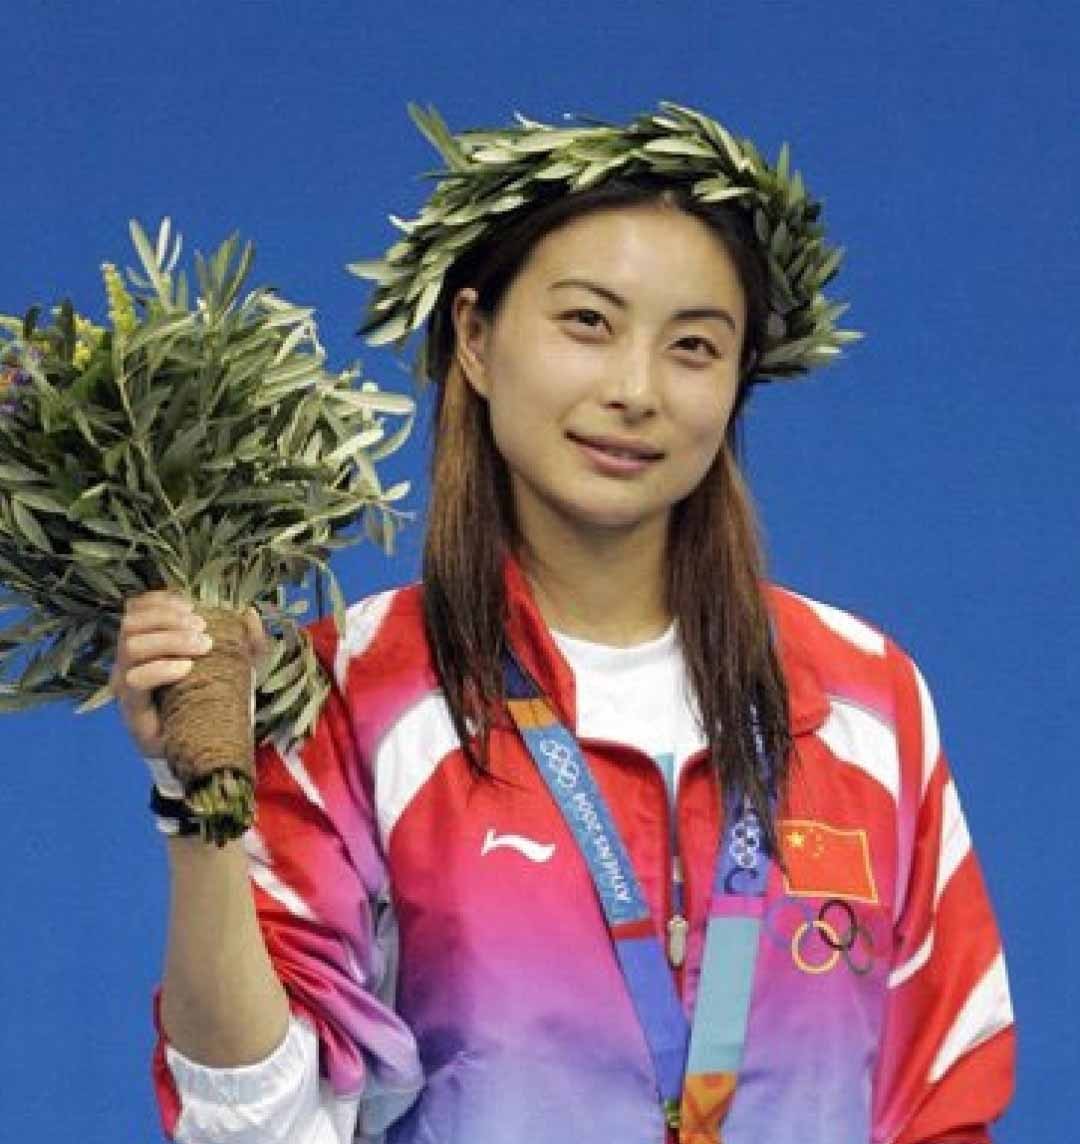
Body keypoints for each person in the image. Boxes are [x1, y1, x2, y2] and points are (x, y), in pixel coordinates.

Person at [113, 103, 1015, 1144]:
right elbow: (254, 1123)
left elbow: (943, 1100)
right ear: (476, 338)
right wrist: (199, 807)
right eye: (588, 323)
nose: (635, 390)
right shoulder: (356, 691)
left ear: (737, 383)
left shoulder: (864, 696)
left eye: (694, 346)